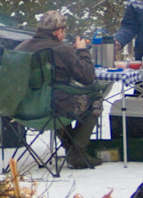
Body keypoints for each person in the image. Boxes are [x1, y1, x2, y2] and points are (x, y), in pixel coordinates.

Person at [15, 11, 104, 169]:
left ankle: (71, 150)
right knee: (95, 98)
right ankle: (77, 152)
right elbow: (88, 77)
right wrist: (82, 51)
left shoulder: (20, 48)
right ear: (59, 32)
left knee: (57, 101)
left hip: (23, 109)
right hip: (53, 109)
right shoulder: (61, 50)